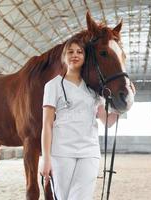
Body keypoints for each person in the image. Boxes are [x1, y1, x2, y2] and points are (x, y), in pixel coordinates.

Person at [40, 37, 119, 200]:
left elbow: (107, 122)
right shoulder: (53, 85)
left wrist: (123, 107)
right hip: (61, 152)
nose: (74, 55)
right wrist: (46, 158)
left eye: (79, 52)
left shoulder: (94, 90)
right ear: (64, 57)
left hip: (89, 151)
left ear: (85, 57)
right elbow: (47, 125)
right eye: (70, 52)